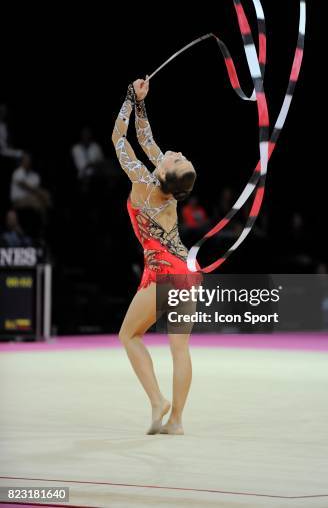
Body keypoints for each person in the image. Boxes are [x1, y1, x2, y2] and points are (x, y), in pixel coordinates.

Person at [112, 77, 202, 435]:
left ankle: (157, 401)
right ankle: (176, 420)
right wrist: (141, 102)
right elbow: (147, 141)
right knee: (179, 348)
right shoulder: (167, 187)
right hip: (186, 273)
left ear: (165, 172)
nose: (175, 151)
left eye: (177, 157)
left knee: (128, 336)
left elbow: (120, 139)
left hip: (162, 273)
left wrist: (127, 98)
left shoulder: (142, 183)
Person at [10, 153, 51, 220]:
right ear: (22, 161)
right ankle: (44, 224)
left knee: (46, 196)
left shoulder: (34, 175)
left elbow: (36, 188)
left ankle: (51, 215)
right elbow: (25, 186)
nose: (28, 161)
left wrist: (42, 193)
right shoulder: (18, 172)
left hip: (30, 197)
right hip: (18, 200)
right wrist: (40, 192)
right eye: (26, 159)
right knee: (38, 203)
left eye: (29, 159)